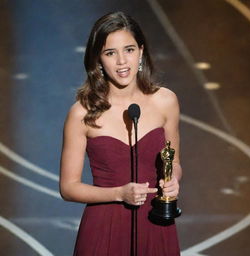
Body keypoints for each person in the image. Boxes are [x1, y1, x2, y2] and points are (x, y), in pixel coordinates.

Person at [60, 11, 182, 256]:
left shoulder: (166, 101)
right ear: (98, 60)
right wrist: (118, 193)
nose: (122, 62)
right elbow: (68, 187)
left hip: (155, 222)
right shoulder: (82, 113)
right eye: (110, 53)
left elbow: (174, 162)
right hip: (104, 228)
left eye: (128, 49)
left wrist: (173, 182)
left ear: (141, 52)